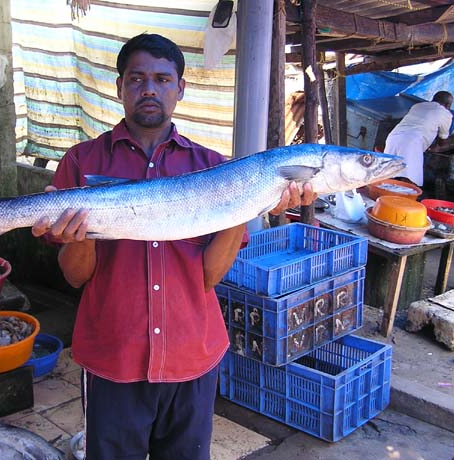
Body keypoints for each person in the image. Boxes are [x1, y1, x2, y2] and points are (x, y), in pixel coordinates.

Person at [31, 33, 316, 459]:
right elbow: (75, 276)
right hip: (115, 356)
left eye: (163, 79)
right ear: (119, 87)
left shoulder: (217, 169)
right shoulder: (82, 161)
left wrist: (246, 203)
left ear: (180, 89)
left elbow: (209, 276)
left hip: (192, 355)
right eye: (137, 78)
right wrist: (81, 235)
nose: (150, 89)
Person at [384, 91, 454, 186]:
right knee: (409, 177)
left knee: (387, 172)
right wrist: (436, 146)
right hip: (412, 141)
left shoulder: (418, 105)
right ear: (448, 104)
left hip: (394, 137)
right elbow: (443, 139)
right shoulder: (445, 114)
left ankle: (382, 193)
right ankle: (401, 198)